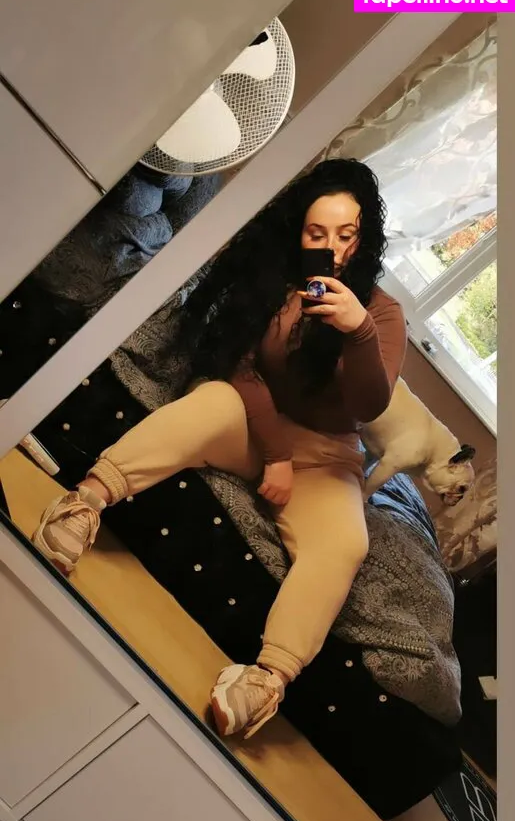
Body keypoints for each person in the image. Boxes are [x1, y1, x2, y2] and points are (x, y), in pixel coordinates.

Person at [32, 159, 407, 740]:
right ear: (299, 232)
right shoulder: (273, 278)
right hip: (251, 420)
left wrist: (357, 331)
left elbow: (368, 406)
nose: (331, 250)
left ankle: (268, 679)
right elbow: (239, 365)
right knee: (209, 405)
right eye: (317, 234)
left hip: (328, 456)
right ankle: (84, 503)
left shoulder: (380, 313)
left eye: (346, 235)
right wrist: (276, 454)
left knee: (346, 543)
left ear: (365, 238)